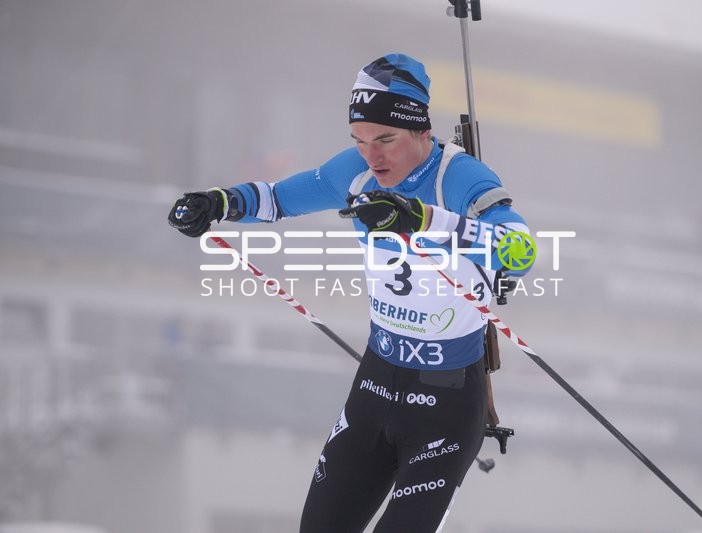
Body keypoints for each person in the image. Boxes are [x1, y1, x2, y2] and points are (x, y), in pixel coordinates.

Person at [168, 53, 533, 532]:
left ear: (422, 131)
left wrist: (424, 220)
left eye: (386, 139)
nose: (372, 155)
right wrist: (220, 201)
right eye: (360, 141)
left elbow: (521, 252)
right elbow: (279, 198)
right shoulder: (355, 172)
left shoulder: (458, 178)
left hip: (445, 405)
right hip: (376, 386)